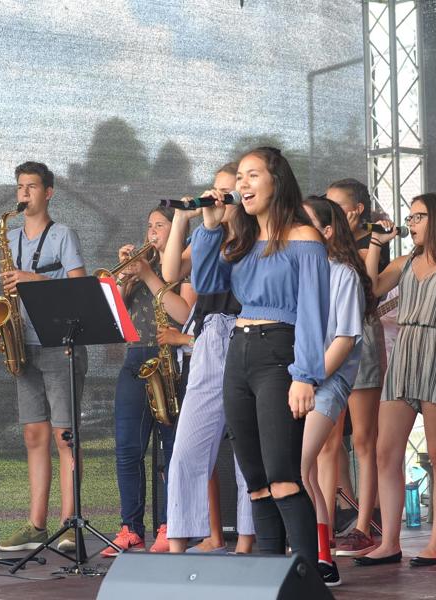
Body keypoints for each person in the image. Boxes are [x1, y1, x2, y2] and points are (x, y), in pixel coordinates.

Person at [191, 147, 329, 570]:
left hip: (279, 353)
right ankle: (268, 577)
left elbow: (313, 312)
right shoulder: (242, 239)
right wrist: (211, 229)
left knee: (282, 474)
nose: (242, 184)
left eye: (252, 176)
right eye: (240, 178)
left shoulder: (304, 238)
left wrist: (305, 375)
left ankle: (307, 575)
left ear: (276, 181)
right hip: (239, 350)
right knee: (255, 482)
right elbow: (207, 285)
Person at [355, 192, 436, 568]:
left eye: (418, 217)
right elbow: (370, 287)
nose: (411, 223)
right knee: (384, 452)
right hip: (404, 353)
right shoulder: (405, 261)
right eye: (410, 217)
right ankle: (390, 541)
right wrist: (376, 242)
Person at [0, 161, 89, 553]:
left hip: (59, 343)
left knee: (64, 436)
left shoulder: (63, 234)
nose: (23, 194)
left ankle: (71, 524)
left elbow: (81, 286)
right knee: (34, 435)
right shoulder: (10, 236)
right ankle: (36, 525)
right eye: (20, 187)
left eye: (31, 187)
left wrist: (36, 279)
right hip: (24, 344)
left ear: (48, 192)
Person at [163, 162, 256, 555]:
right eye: (213, 190)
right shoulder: (207, 235)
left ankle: (248, 544)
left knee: (247, 450)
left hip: (245, 331)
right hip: (207, 339)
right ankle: (177, 542)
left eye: (226, 191)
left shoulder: (255, 238)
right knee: (186, 447)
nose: (218, 197)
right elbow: (170, 270)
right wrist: (184, 218)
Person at [103, 206, 196, 556]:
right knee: (127, 449)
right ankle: (130, 528)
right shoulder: (143, 264)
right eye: (149, 225)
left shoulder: (184, 261)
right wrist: (128, 279)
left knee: (171, 450)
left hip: (171, 361)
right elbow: (120, 315)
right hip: (135, 358)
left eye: (160, 226)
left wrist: (147, 276)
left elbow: (186, 315)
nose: (152, 232)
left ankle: (171, 525)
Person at [298, 196, 374, 586]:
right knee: (301, 469)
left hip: (325, 382)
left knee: (299, 465)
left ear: (327, 232)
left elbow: (344, 340)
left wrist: (307, 379)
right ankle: (319, 555)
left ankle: (318, 555)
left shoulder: (342, 273)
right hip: (297, 380)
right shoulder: (296, 269)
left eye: (306, 222)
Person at [322, 178, 388, 554]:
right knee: (328, 439)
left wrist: (377, 242)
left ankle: (364, 523)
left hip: (358, 338)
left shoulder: (370, 242)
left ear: (356, 210)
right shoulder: (322, 246)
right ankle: (326, 524)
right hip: (326, 340)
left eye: (336, 204)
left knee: (363, 438)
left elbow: (370, 289)